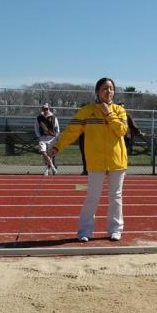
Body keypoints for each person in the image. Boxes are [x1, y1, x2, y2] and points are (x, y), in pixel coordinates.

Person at [48, 77, 128, 242]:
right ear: (97, 91)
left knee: (116, 197)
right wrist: (57, 146)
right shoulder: (87, 111)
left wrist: (109, 113)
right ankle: (85, 231)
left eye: (111, 88)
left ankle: (115, 229)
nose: (108, 92)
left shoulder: (119, 110)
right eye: (105, 88)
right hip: (95, 161)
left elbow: (121, 131)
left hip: (117, 161)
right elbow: (71, 131)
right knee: (92, 196)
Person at [34, 103, 59, 176]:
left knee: (50, 155)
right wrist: (39, 136)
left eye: (46, 109)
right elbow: (36, 128)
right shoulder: (39, 118)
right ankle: (53, 167)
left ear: (49, 109)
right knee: (43, 152)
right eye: (44, 109)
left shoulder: (54, 117)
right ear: (42, 109)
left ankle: (47, 170)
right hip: (43, 138)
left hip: (52, 138)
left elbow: (57, 128)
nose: (45, 110)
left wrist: (56, 137)